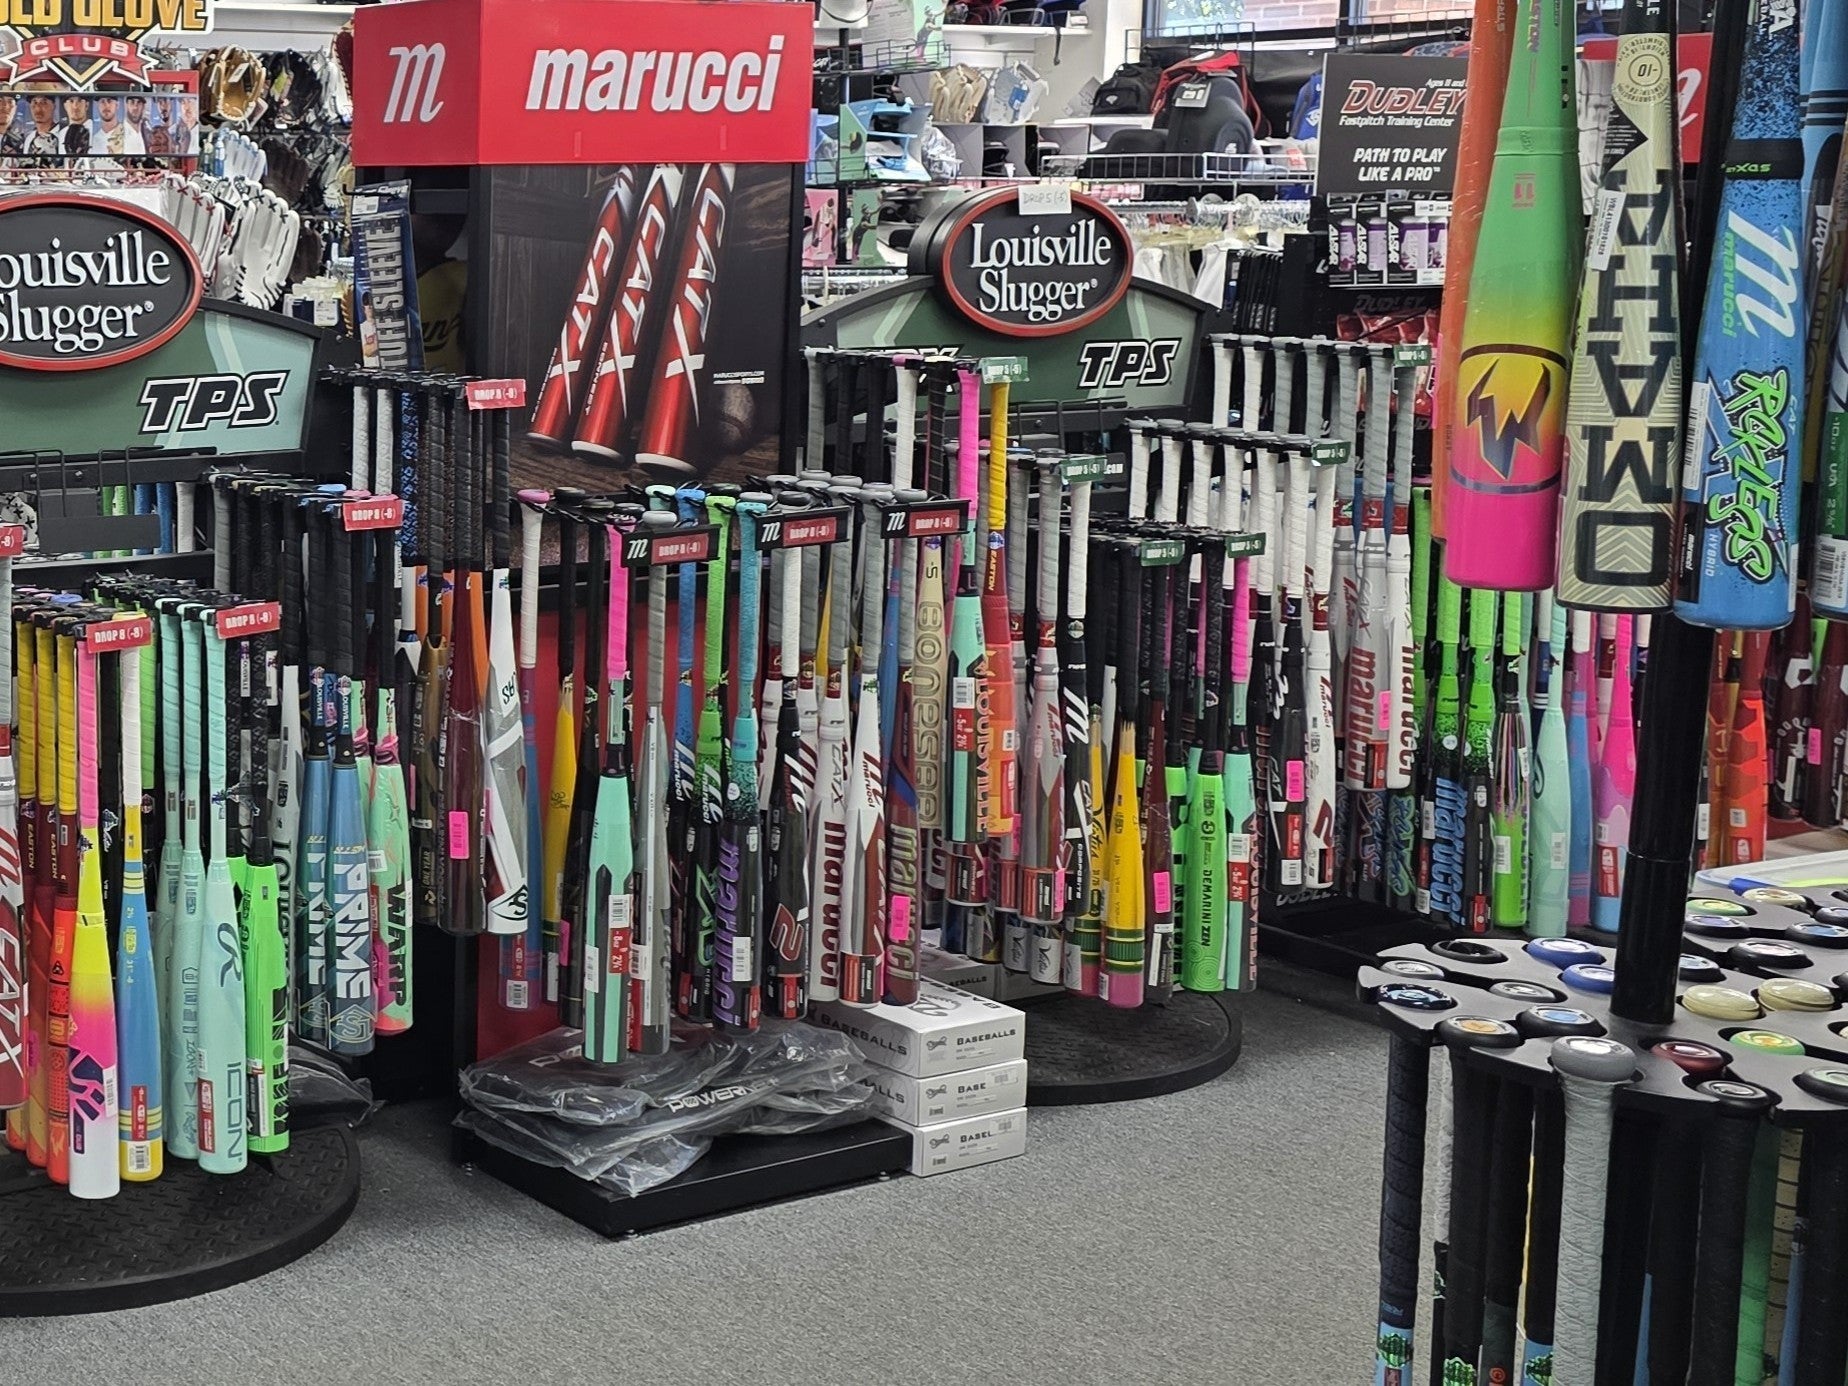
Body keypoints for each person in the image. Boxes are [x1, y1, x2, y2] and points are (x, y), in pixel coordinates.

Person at [58, 93, 90, 158]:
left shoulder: (95, 131)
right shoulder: (61, 134)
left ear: (86, 105)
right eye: (71, 101)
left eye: (80, 101)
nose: (75, 106)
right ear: (65, 106)